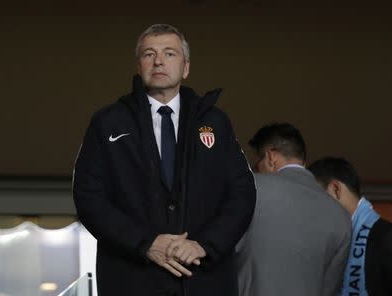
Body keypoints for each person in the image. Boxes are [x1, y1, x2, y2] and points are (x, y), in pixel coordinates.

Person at [73, 24, 256, 296]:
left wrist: (204, 245)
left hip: (204, 279)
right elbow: (89, 197)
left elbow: (242, 194)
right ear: (139, 65)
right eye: (149, 54)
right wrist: (145, 243)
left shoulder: (215, 123)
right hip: (133, 281)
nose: (158, 61)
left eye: (170, 53)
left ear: (186, 67)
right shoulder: (107, 122)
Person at [236, 122, 351, 296]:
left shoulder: (251, 190)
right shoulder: (340, 215)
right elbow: (329, 288)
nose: (255, 169)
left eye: (256, 164)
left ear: (270, 157)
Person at [308, 157, 392, 296]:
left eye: (314, 199)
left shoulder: (386, 237)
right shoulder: (329, 243)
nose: (312, 211)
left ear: (335, 189)